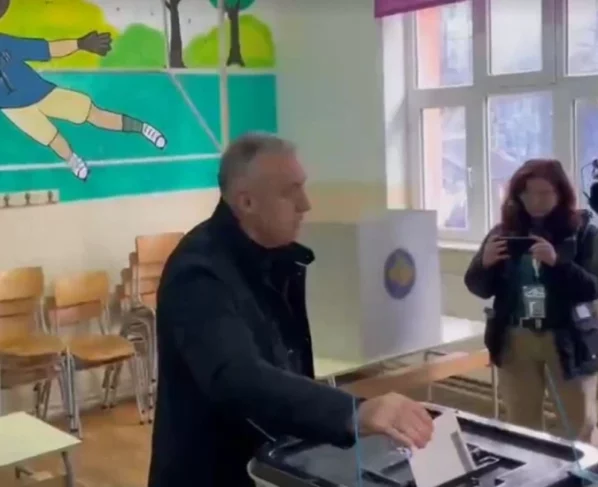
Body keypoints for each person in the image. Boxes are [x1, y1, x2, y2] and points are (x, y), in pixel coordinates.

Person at [148, 133, 434, 487]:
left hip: (271, 466)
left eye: (303, 187)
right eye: (290, 191)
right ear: (247, 202)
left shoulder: (276, 259)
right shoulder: (197, 273)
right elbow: (238, 377)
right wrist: (354, 412)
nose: (305, 204)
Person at [464, 158, 598, 444]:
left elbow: (592, 288)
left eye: (544, 193)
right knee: (520, 424)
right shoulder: (503, 232)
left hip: (568, 339)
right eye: (527, 193)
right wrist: (484, 264)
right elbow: (477, 286)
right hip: (516, 337)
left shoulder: (584, 232)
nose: (535, 201)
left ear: (561, 194)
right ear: (517, 195)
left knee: (578, 424)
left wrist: (558, 263)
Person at [0, 0, 167, 182]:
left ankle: (142, 128)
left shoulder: (5, 43)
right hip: (15, 109)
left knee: (93, 114)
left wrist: (80, 44)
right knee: (52, 138)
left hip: (41, 92)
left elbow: (46, 50)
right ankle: (73, 161)